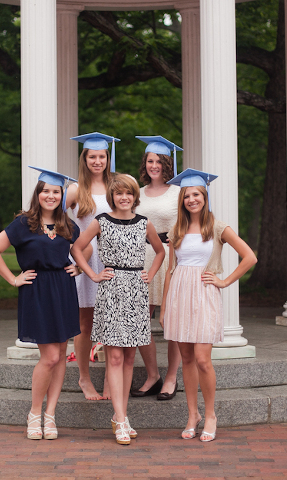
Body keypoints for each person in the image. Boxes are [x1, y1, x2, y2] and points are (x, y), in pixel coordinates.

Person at [0, 166, 83, 441]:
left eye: (55, 192)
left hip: (63, 290)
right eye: (46, 191)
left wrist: (80, 268)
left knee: (62, 354)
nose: (50, 196)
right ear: (38, 194)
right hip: (37, 291)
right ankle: (35, 412)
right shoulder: (23, 223)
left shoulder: (67, 224)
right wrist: (13, 279)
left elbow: (82, 248)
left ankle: (51, 415)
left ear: (62, 195)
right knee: (50, 357)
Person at [159, 169, 257, 443]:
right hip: (179, 295)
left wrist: (224, 281)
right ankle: (193, 415)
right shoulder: (176, 230)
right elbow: (170, 270)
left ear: (205, 197)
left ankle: (210, 414)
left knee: (203, 359)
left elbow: (249, 257)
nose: (192, 199)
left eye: (196, 195)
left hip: (204, 294)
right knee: (186, 359)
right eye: (187, 195)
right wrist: (165, 308)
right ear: (182, 200)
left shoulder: (217, 227)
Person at [71, 174, 165, 445]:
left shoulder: (144, 223)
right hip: (111, 291)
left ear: (135, 196)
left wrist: (151, 273)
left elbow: (159, 252)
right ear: (112, 196)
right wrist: (92, 274)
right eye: (118, 193)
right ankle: (121, 419)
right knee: (113, 357)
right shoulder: (101, 221)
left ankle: (120, 416)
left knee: (127, 358)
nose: (123, 197)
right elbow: (77, 248)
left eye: (128, 193)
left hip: (136, 289)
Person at [64, 132, 120, 400]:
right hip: (84, 257)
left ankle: (111, 379)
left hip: (113, 260)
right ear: (84, 159)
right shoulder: (75, 189)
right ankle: (84, 378)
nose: (97, 161)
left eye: (102, 156)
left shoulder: (117, 185)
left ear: (108, 158)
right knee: (85, 323)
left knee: (110, 321)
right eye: (92, 157)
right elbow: (57, 220)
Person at [131, 135, 183, 400]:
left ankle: (171, 377)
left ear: (167, 164)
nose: (154, 166)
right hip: (142, 257)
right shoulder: (137, 194)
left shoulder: (178, 192)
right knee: (140, 319)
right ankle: (153, 374)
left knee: (172, 321)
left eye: (159, 161)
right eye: (150, 161)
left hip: (171, 256)